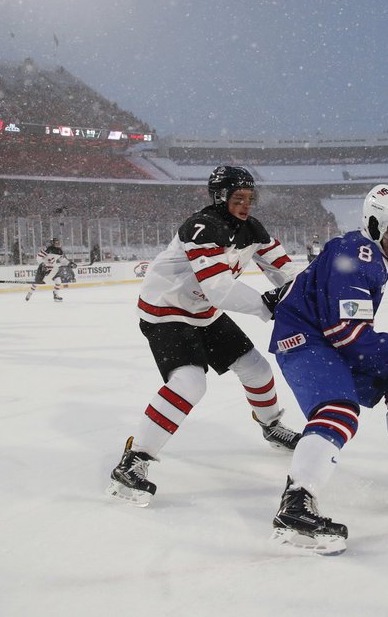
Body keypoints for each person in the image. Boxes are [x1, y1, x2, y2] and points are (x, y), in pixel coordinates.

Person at [268, 184, 388, 555]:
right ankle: (295, 505)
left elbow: (347, 332)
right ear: (374, 224)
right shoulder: (357, 254)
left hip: (328, 338)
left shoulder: (371, 254)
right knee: (339, 409)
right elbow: (346, 331)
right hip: (306, 340)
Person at [107, 166, 301, 507]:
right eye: (238, 198)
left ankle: (271, 425)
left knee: (257, 368)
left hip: (203, 313)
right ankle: (134, 459)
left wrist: (304, 299)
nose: (245, 205)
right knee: (190, 382)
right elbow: (218, 289)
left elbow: (286, 272)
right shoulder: (201, 227)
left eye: (249, 198)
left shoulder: (252, 228)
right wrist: (268, 305)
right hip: (166, 313)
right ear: (219, 197)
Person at [25, 237, 74, 302]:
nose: (58, 244)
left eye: (58, 242)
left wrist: (70, 264)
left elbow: (62, 260)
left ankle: (56, 295)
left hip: (53, 269)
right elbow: (38, 257)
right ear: (52, 243)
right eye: (56, 242)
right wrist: (42, 264)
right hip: (43, 268)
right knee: (36, 283)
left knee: (58, 281)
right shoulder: (47, 249)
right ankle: (30, 293)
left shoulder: (59, 251)